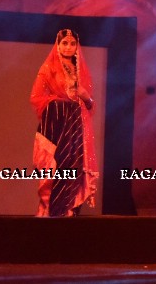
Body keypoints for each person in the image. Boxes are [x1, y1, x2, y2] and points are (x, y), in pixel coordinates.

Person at [30, 29, 98, 216]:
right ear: (57, 45)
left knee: (75, 166)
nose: (68, 47)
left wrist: (85, 97)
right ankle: (53, 213)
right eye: (64, 43)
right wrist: (59, 103)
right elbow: (35, 97)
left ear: (77, 46)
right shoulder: (48, 68)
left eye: (72, 43)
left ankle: (71, 212)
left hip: (77, 127)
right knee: (57, 168)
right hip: (56, 127)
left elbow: (91, 106)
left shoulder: (81, 70)